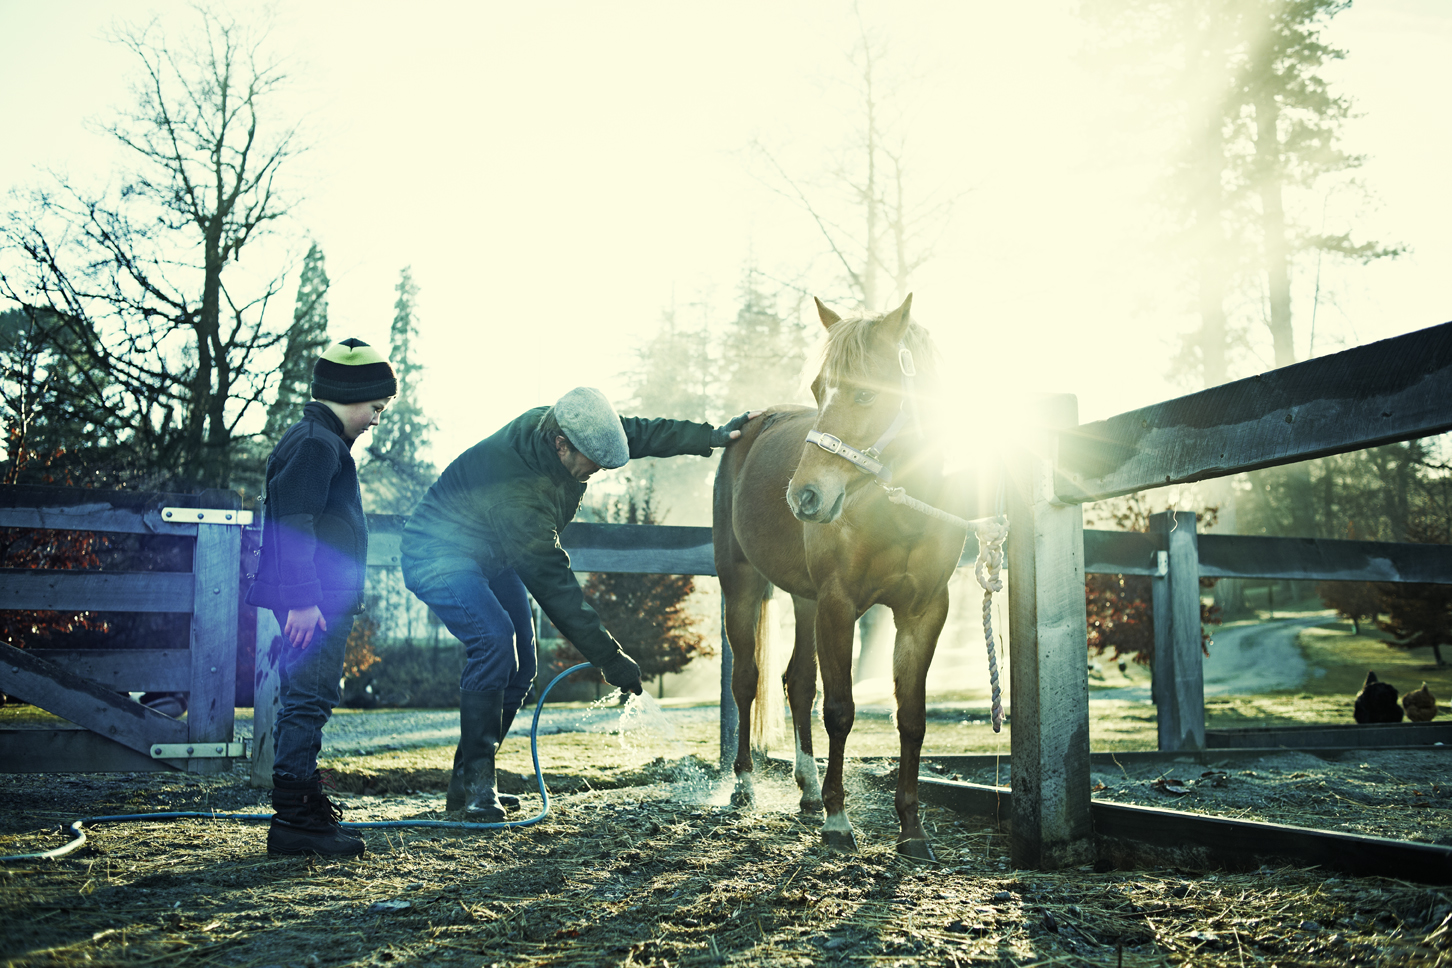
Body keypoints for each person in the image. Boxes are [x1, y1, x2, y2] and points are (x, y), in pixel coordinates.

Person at [401, 388, 756, 822]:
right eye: (593, 462)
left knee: (523, 665)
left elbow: (631, 434)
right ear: (561, 445)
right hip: (437, 552)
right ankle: (477, 786)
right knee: (494, 641)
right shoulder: (520, 492)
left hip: (491, 553)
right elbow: (554, 586)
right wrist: (609, 659)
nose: (599, 470)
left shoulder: (568, 427)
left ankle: (469, 784)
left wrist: (709, 438)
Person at [246, 338, 396, 856]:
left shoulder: (323, 441)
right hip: (315, 602)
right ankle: (297, 822)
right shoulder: (315, 444)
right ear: (349, 394)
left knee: (311, 696)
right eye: (376, 408)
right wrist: (306, 599)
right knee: (308, 697)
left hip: (321, 598)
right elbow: (294, 523)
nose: (377, 419)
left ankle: (302, 810)